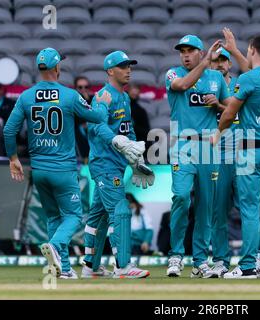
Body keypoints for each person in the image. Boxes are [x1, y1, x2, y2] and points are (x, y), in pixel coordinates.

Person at [3, 47, 110, 279]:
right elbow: (97, 117)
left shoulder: (26, 96)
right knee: (73, 216)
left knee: (53, 217)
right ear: (56, 68)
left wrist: (13, 159)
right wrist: (101, 102)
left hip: (39, 170)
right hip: (63, 169)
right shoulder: (70, 95)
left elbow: (9, 130)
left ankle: (65, 269)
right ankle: (55, 244)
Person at [214, 34, 260, 279]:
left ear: (252, 49)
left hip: (251, 149)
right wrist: (233, 51)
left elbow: (229, 113)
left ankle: (246, 267)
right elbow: (253, 75)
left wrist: (217, 133)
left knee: (250, 209)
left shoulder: (247, 78)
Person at [81, 51, 154, 279]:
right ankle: (123, 266)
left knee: (98, 216)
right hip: (104, 164)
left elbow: (127, 129)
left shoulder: (123, 97)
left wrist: (136, 160)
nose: (128, 70)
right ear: (110, 71)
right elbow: (95, 127)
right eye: (123, 66)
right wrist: (115, 140)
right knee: (120, 209)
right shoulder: (103, 96)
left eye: (129, 66)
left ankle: (90, 268)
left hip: (116, 164)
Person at [165, 35, 231, 278]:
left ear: (200, 52)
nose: (185, 54)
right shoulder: (172, 73)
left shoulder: (216, 79)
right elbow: (182, 86)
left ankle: (200, 260)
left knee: (206, 205)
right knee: (181, 197)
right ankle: (175, 256)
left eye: (191, 50)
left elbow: (231, 111)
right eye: (182, 50)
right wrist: (205, 63)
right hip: (181, 144)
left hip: (208, 146)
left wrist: (219, 105)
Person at [208, 28, 249, 278]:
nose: (221, 63)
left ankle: (252, 258)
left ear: (229, 62)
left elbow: (241, 111)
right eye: (217, 59)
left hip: (242, 150)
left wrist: (220, 104)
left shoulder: (240, 83)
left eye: (224, 59)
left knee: (248, 208)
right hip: (215, 153)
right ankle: (221, 260)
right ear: (210, 62)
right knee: (218, 210)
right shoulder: (202, 84)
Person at [74, 76, 93, 161]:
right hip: (78, 131)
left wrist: (87, 100)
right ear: (76, 88)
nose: (83, 89)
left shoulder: (94, 100)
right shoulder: (73, 101)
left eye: (86, 87)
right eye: (80, 87)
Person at [128, 83, 151, 151]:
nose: (134, 93)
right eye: (132, 91)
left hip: (137, 139)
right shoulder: (122, 106)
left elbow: (146, 130)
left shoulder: (141, 111)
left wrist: (133, 127)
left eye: (136, 91)